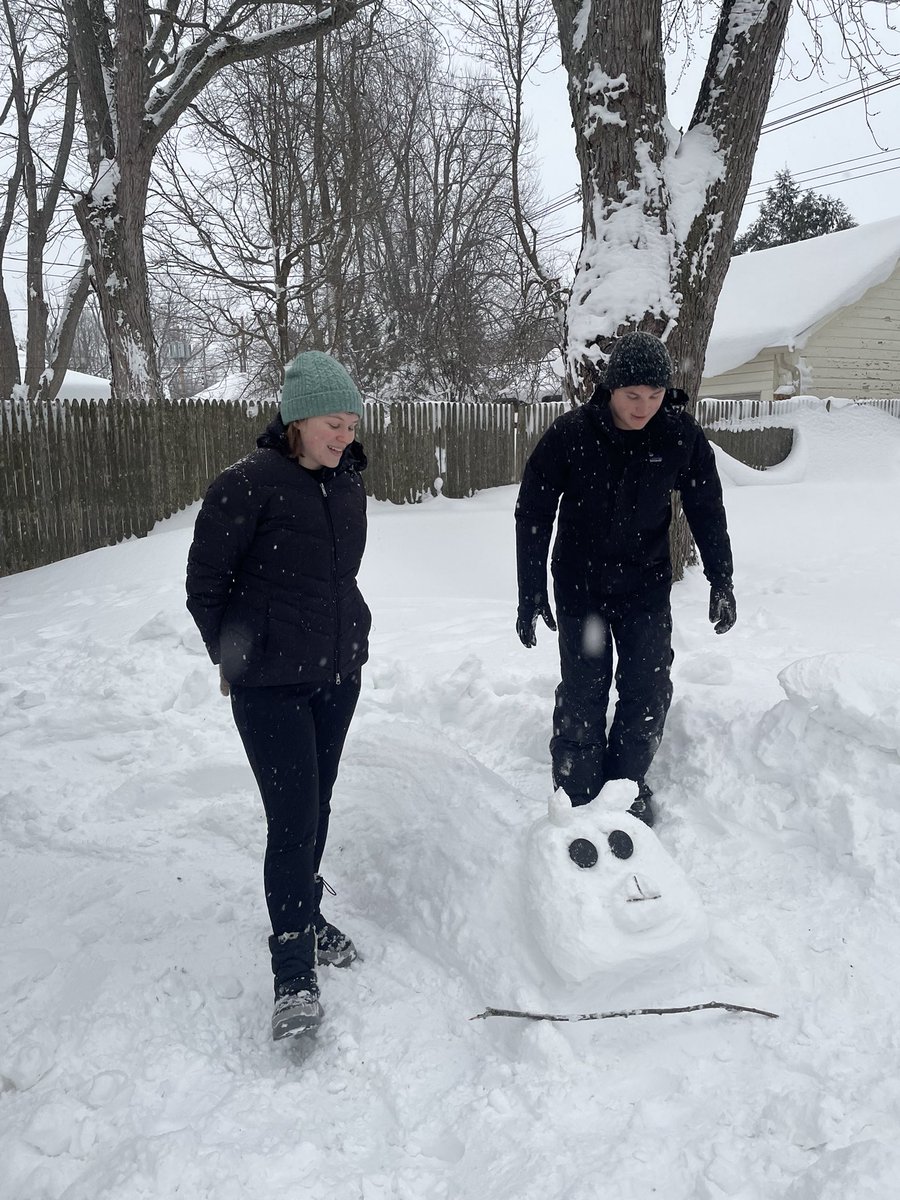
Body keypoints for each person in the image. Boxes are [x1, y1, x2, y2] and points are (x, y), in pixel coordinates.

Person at [186, 350, 370, 1041]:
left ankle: (310, 915)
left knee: (315, 806)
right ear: (297, 420)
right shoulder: (247, 484)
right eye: (333, 422)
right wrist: (237, 655)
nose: (345, 434)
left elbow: (334, 577)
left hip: (336, 675)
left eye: (351, 422)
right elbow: (206, 584)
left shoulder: (347, 482)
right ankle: (292, 974)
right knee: (291, 819)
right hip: (270, 686)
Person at [515, 331, 735, 828]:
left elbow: (706, 507)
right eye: (633, 395)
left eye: (654, 396)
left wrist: (722, 577)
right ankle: (577, 791)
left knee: (647, 690)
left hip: (644, 589)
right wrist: (529, 588)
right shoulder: (572, 434)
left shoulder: (678, 436)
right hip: (581, 588)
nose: (643, 408)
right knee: (584, 692)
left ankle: (625, 788)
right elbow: (533, 510)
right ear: (610, 389)